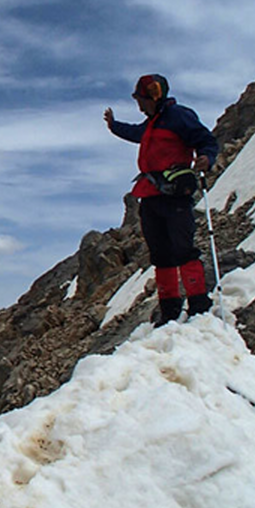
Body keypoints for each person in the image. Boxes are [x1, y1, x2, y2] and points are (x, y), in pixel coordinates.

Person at [104, 73, 219, 324]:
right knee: (161, 253)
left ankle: (199, 304)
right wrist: (114, 126)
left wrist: (207, 158)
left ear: (154, 97)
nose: (138, 104)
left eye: (141, 99)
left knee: (183, 249)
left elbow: (206, 140)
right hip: (151, 195)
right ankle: (170, 309)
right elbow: (136, 133)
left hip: (175, 195)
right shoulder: (153, 122)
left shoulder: (179, 116)